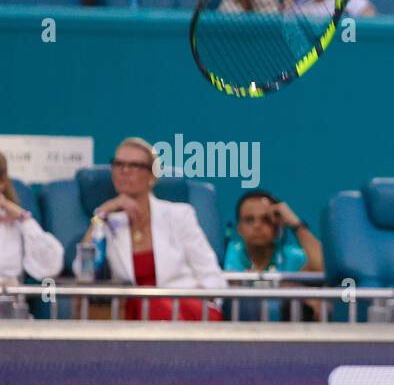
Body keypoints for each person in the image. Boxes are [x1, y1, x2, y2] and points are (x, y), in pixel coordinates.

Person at [79, 138, 226, 321]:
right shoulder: (106, 221)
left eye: (134, 165)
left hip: (187, 307)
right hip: (137, 312)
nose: (124, 171)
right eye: (118, 164)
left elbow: (208, 271)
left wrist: (212, 306)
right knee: (146, 303)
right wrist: (103, 212)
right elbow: (84, 272)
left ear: (152, 175)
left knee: (153, 303)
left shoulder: (179, 215)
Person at [224, 191, 325, 322]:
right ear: (239, 228)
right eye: (249, 219)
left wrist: (295, 224)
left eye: (266, 219)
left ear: (278, 226)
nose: (257, 225)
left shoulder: (293, 257)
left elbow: (323, 266)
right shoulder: (224, 254)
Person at [0, 152, 64, 284]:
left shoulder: (15, 221)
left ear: (2, 183)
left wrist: (23, 218)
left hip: (7, 300)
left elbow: (51, 267)